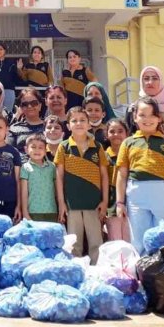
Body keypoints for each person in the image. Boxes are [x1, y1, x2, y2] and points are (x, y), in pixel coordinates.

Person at [115, 97, 164, 255]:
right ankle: (143, 269)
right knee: (139, 238)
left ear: (159, 118)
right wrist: (120, 202)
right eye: (142, 115)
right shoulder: (128, 143)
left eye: (151, 115)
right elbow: (121, 175)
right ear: (135, 117)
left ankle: (163, 269)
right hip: (136, 193)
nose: (147, 119)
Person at [56, 107, 109, 261]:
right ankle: (76, 270)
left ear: (89, 124)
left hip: (93, 203)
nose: (78, 123)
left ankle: (97, 270)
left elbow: (104, 176)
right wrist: (61, 203)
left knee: (96, 242)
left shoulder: (97, 147)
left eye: (82, 120)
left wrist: (105, 201)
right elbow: (59, 177)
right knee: (74, 243)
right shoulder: (64, 147)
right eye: (74, 121)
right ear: (68, 126)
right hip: (72, 204)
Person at [124, 66, 164, 133]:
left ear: (161, 81)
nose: (150, 82)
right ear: (141, 82)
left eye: (155, 78)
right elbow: (128, 133)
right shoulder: (133, 108)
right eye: (146, 79)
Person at [20, 133, 59, 223]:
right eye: (33, 147)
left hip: (52, 211)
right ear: (26, 149)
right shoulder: (25, 167)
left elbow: (57, 190)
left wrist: (60, 209)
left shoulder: (52, 167)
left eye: (40, 147)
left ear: (46, 150)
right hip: (33, 212)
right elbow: (24, 193)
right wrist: (25, 213)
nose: (37, 150)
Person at [104, 119, 130, 242]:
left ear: (127, 134)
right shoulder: (104, 155)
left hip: (130, 200)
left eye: (120, 131)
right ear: (106, 135)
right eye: (112, 131)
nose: (116, 134)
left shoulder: (131, 153)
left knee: (130, 238)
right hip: (112, 203)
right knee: (115, 239)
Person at [7, 87, 46, 154]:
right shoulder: (14, 128)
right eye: (25, 104)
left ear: (40, 105)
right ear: (21, 108)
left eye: (33, 103)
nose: (29, 106)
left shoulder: (49, 127)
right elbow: (9, 153)